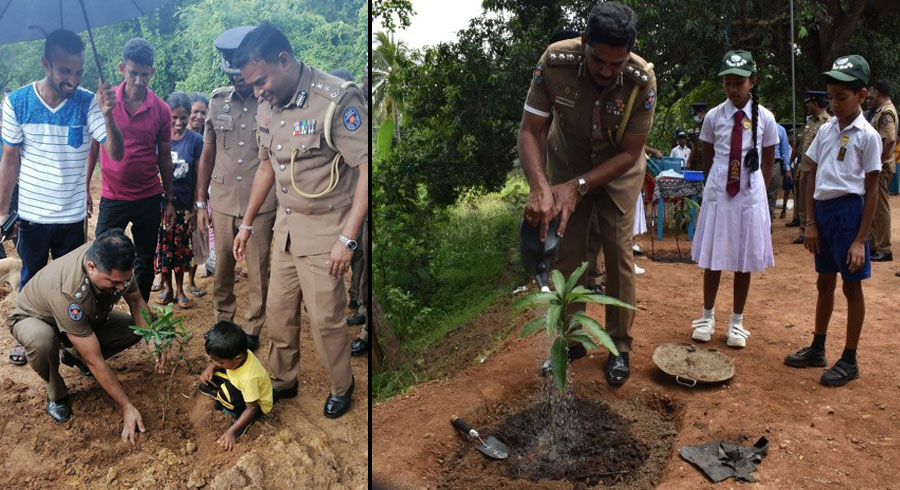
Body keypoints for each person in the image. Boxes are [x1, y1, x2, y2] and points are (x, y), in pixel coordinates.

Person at [231, 21, 367, 418]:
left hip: (328, 232)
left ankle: (343, 384)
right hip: (287, 229)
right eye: (252, 86)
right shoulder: (267, 105)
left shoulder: (337, 100)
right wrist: (248, 222)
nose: (257, 92)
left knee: (326, 320)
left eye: (260, 82)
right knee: (279, 312)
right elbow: (265, 168)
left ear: (284, 60)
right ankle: (283, 380)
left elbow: (364, 169)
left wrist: (348, 239)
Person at [519, 2, 656, 385]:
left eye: (617, 63)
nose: (608, 72)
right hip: (567, 162)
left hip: (619, 170)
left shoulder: (642, 80)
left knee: (617, 252)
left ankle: (619, 346)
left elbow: (631, 152)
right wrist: (540, 186)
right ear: (584, 43)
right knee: (567, 250)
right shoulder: (555, 62)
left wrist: (581, 187)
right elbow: (531, 130)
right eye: (599, 62)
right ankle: (572, 339)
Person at [0, 29, 124, 366]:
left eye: (78, 71)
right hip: (32, 216)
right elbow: (9, 160)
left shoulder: (88, 102)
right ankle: (30, 338)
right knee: (32, 280)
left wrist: (109, 113)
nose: (73, 79)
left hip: (72, 216)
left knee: (76, 285)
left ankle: (73, 340)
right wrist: (1, 214)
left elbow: (115, 152)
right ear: (45, 64)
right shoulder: (17, 102)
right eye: (65, 71)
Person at [7, 229, 167, 438]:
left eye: (124, 281)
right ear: (91, 267)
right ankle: (57, 394)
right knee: (43, 342)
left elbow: (137, 302)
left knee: (138, 328)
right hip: (34, 318)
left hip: (83, 320)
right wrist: (127, 406)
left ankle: (74, 355)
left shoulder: (114, 263)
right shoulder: (70, 291)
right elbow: (95, 360)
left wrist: (151, 339)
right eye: (114, 283)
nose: (121, 287)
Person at [785, 55, 880, 387]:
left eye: (843, 97)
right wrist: (810, 222)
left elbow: (871, 190)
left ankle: (850, 358)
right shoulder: (826, 130)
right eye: (832, 97)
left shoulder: (868, 136)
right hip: (823, 214)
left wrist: (860, 240)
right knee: (823, 283)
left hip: (849, 214)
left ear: (862, 95)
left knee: (851, 286)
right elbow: (810, 174)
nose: (835, 104)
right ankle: (818, 347)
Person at [196, 26, 277, 352]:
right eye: (232, 74)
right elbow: (207, 153)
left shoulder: (271, 101)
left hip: (261, 204)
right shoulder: (217, 101)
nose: (237, 80)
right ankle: (223, 322)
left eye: (241, 73)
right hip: (224, 200)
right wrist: (201, 202)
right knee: (223, 270)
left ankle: (254, 325)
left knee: (258, 270)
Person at [689, 50, 777, 348]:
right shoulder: (714, 116)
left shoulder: (765, 118)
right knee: (713, 256)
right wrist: (712, 185)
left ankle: (737, 322)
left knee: (743, 259)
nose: (733, 89)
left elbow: (768, 160)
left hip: (749, 197)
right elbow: (708, 157)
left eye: (739, 82)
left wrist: (759, 194)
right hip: (719, 194)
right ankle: (706, 316)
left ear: (752, 81)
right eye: (728, 83)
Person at [87, 38, 174, 303]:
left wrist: (169, 198)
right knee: (101, 254)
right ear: (122, 68)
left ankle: (141, 311)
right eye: (133, 73)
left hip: (148, 196)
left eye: (144, 74)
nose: (138, 80)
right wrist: (85, 187)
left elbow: (165, 158)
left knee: (146, 258)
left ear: (152, 72)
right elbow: (93, 146)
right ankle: (100, 309)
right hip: (113, 196)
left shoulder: (162, 109)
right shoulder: (103, 101)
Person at [153, 91, 202, 309]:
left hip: (183, 206)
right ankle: (167, 288)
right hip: (160, 206)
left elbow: (199, 179)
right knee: (164, 249)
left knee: (181, 250)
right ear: (167, 116)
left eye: (184, 117)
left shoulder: (196, 141)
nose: (179, 122)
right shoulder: (158, 138)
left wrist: (195, 210)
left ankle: (181, 289)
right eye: (174, 117)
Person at [198, 320, 273, 450]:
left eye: (220, 362)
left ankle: (237, 420)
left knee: (227, 395)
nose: (217, 363)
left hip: (256, 406)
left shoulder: (248, 378)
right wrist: (211, 367)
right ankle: (222, 397)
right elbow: (220, 364)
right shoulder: (239, 352)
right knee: (211, 378)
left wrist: (231, 431)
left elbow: (252, 408)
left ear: (237, 357)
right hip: (239, 382)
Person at [788, 91, 831, 244]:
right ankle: (803, 230)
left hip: (819, 169)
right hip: (804, 167)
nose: (807, 105)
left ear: (815, 103)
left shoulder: (828, 122)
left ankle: (817, 228)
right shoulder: (810, 122)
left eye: (809, 102)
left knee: (818, 200)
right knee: (802, 202)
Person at [867, 79, 896, 262]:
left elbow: (891, 138)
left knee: (880, 207)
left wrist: (878, 161)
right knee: (874, 206)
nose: (870, 96)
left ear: (877, 92)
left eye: (871, 93)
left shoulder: (886, 112)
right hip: (878, 166)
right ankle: (874, 245)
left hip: (881, 167)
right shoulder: (881, 111)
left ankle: (884, 249)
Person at [187, 91, 210, 295]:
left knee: (195, 240)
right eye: (195, 111)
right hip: (177, 196)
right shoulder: (173, 135)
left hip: (199, 198)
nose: (199, 117)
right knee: (170, 239)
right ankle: (163, 278)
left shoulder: (207, 139)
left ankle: (191, 281)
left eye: (203, 113)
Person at [764, 104, 792, 222]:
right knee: (759, 192)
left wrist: (787, 169)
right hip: (759, 164)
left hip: (775, 164)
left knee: (772, 193)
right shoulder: (758, 128)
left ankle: (769, 222)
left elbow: (785, 151)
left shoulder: (780, 130)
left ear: (774, 114)